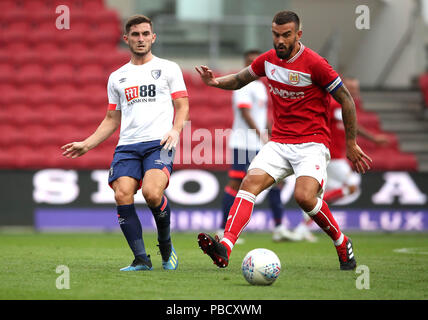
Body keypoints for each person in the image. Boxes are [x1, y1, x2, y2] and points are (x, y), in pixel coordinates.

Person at [195, 11, 372, 270]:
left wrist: (352, 143)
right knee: (249, 184)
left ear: (298, 35)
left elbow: (345, 98)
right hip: (279, 142)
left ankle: (341, 241)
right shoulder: (268, 61)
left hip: (312, 143)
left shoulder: (315, 64)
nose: (280, 40)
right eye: (276, 35)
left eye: (286, 35)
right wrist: (214, 81)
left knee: (304, 197)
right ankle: (226, 247)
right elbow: (239, 80)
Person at [61, 15, 189, 271]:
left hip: (159, 144)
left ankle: (165, 245)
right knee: (122, 195)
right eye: (135, 35)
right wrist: (87, 144)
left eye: (145, 34)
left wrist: (176, 130)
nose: (140, 39)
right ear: (126, 39)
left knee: (153, 194)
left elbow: (182, 105)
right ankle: (141, 259)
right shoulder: (117, 77)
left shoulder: (168, 68)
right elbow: (111, 118)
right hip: (127, 147)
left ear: (153, 37)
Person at [217, 49, 299, 243]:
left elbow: (262, 116)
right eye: (250, 61)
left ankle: (279, 228)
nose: (254, 65)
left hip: (259, 143)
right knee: (236, 184)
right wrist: (262, 135)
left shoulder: (261, 87)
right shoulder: (243, 86)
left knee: (273, 182)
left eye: (256, 61)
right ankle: (222, 229)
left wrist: (272, 132)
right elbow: (246, 114)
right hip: (243, 143)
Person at [294, 77, 389, 241]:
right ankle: (311, 210)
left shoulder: (344, 105)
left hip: (333, 156)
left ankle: (302, 227)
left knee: (321, 194)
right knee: (352, 186)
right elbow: (349, 124)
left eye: (356, 88)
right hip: (332, 156)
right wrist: (373, 138)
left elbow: (350, 125)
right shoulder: (335, 104)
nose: (354, 91)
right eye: (351, 88)